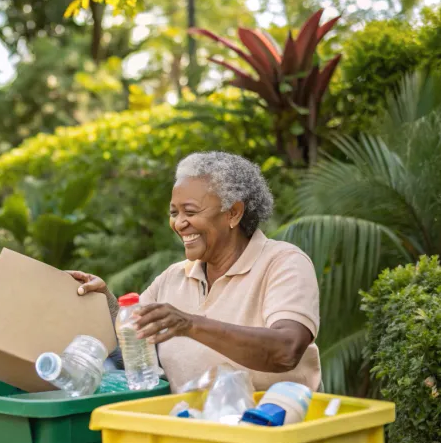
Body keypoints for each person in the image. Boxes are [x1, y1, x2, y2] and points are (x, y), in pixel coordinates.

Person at [69, 151, 321, 391]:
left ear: (233, 213)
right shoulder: (172, 279)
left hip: (277, 423)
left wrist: (190, 324)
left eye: (190, 212)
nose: (179, 223)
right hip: (193, 428)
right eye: (174, 213)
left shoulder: (283, 263)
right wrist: (107, 303)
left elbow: (286, 350)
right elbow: (134, 351)